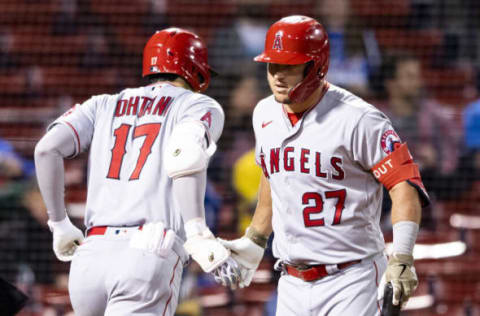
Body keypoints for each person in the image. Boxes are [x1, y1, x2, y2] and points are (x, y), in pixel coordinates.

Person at [213, 16, 430, 315]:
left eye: (289, 66)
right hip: (290, 281)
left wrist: (403, 256)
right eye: (272, 65)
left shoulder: (359, 119)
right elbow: (271, 175)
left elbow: (403, 184)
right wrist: (256, 236)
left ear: (316, 66)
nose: (277, 75)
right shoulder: (263, 113)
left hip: (352, 279)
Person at [34, 27, 238, 316]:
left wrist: (59, 223)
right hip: (149, 248)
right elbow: (186, 154)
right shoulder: (197, 104)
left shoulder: (102, 103)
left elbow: (46, 149)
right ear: (196, 70)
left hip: (91, 255)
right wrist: (197, 231)